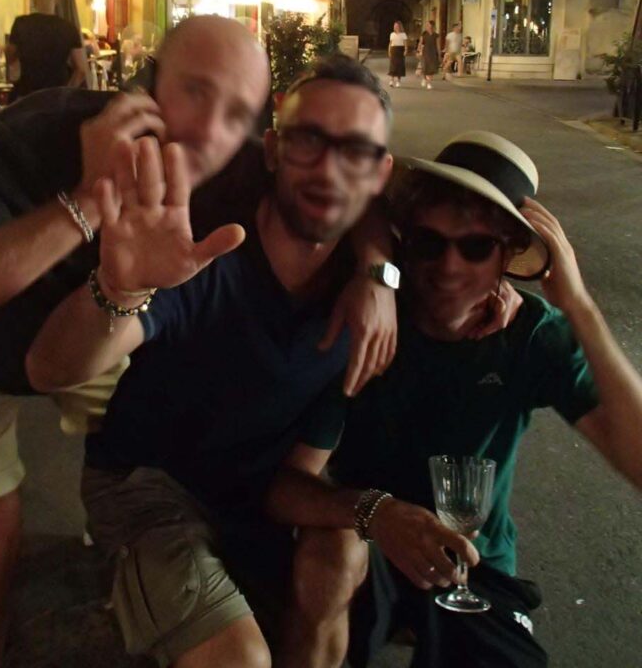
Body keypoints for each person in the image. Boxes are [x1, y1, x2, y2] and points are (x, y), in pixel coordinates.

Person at [0, 20, 395, 668]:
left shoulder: (237, 164)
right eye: (196, 93)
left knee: (134, 462)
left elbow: (353, 180)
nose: (211, 129)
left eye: (237, 112)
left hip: (100, 322)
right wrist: (90, 202)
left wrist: (378, 273)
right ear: (146, 83)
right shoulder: (46, 129)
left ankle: (136, 563)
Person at [25, 55, 398, 668]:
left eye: (355, 150)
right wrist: (117, 291)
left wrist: (382, 274)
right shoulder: (204, 254)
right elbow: (51, 367)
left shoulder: (360, 303)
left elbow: (298, 473)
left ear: (380, 172)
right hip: (147, 485)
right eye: (309, 141)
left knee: (341, 556)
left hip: (251, 489)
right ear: (273, 150)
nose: (330, 169)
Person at [265, 131, 642, 668]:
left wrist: (578, 305)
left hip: (473, 563)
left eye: (476, 247)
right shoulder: (371, 324)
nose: (449, 266)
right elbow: (284, 487)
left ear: (509, 255)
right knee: (327, 553)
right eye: (429, 242)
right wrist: (377, 512)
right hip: (369, 547)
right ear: (405, 240)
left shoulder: (530, 336)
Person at [6, 0, 87, 99]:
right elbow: (81, 69)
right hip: (55, 95)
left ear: (34, 0)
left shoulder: (21, 24)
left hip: (27, 95)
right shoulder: (68, 28)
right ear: (56, 0)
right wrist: (65, 93)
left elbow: (10, 56)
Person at [417, 21, 440, 89]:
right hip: (425, 52)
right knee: (425, 67)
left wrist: (439, 54)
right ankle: (424, 79)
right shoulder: (424, 34)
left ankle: (429, 83)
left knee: (431, 68)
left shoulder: (436, 35)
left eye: (429, 26)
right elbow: (420, 43)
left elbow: (438, 45)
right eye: (427, 25)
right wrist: (418, 51)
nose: (428, 27)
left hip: (433, 53)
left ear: (433, 26)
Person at [387, 21, 408, 88]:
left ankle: (398, 81)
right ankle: (391, 80)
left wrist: (405, 50)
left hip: (400, 49)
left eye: (397, 26)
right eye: (394, 26)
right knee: (392, 65)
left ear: (399, 26)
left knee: (400, 65)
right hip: (394, 49)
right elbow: (390, 43)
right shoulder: (392, 34)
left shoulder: (403, 34)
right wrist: (389, 51)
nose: (395, 27)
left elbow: (405, 43)